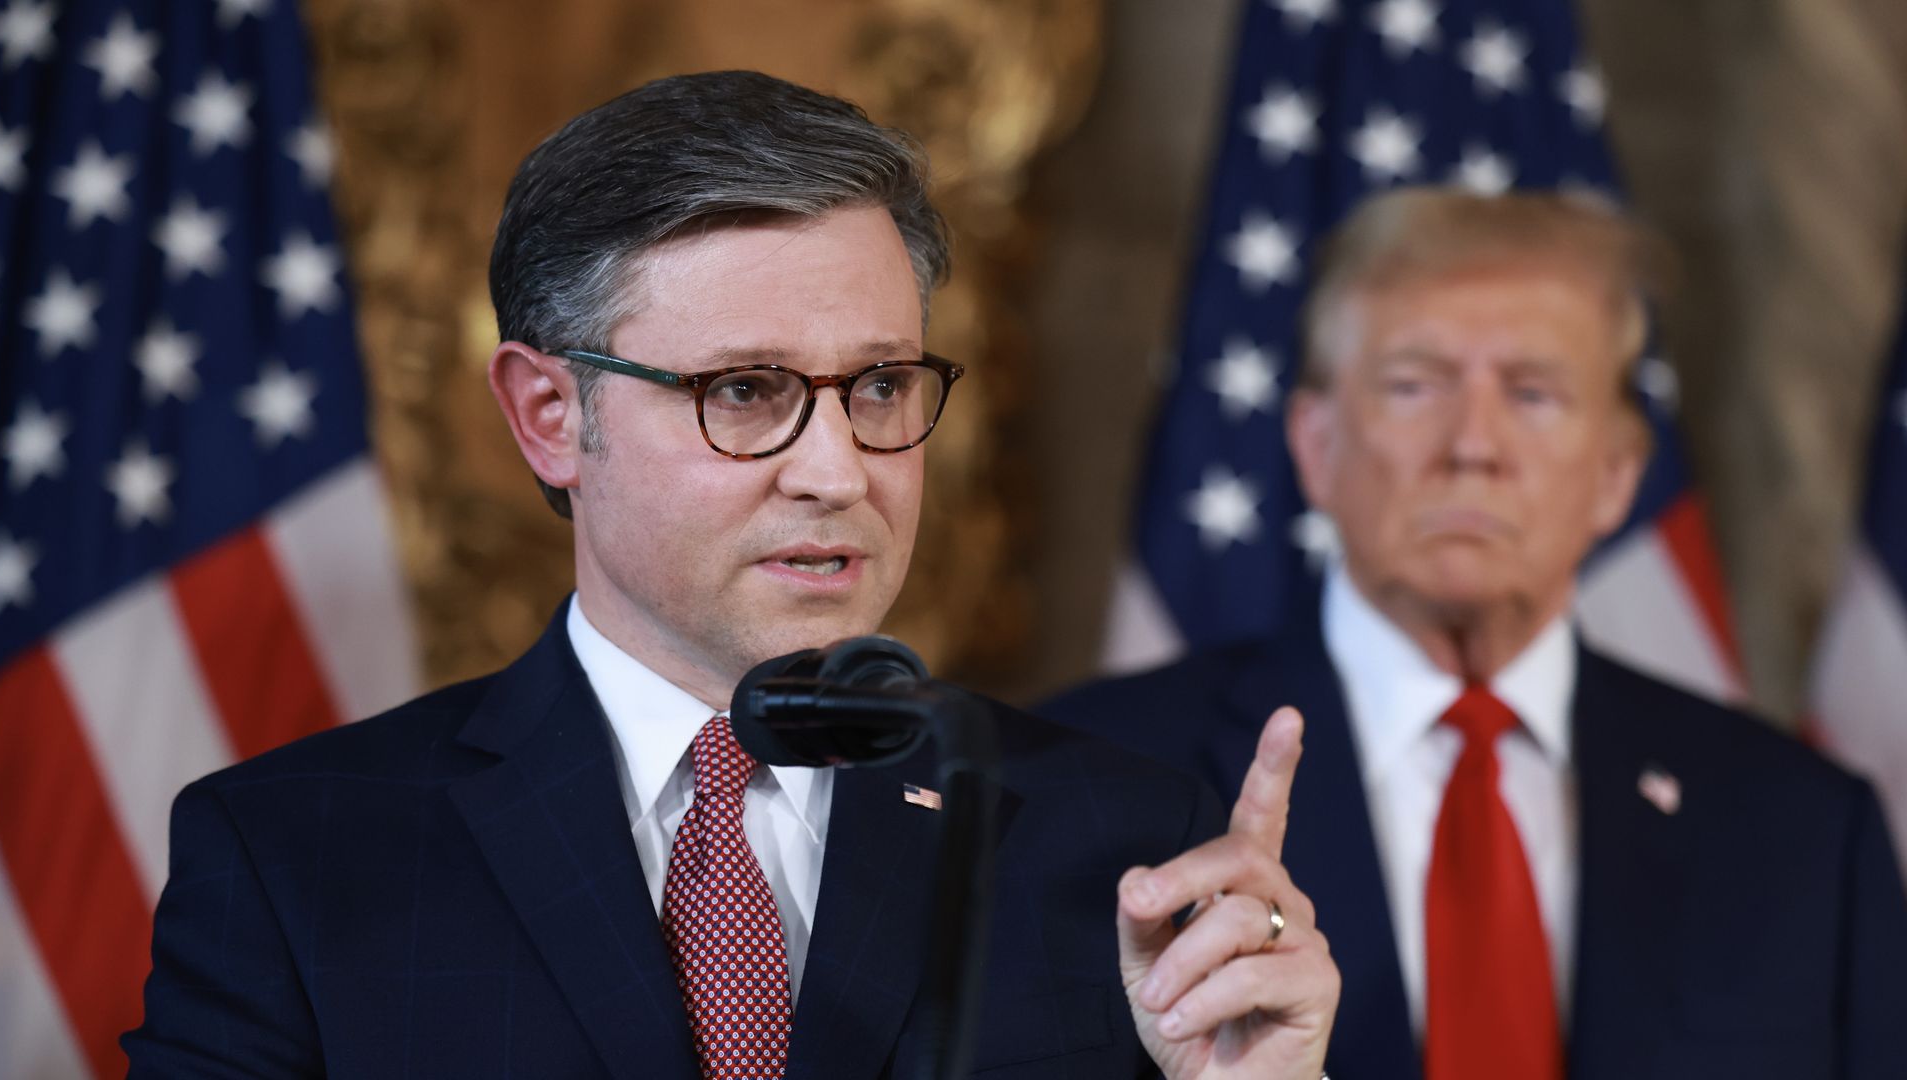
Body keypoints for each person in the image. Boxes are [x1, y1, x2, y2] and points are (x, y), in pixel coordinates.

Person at [122, 71, 1338, 1079]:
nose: (838, 471)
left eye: (877, 388)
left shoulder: (1125, 850)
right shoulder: (295, 859)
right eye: (744, 392)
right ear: (550, 414)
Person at [1045, 189, 1907, 1080]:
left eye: (1533, 393)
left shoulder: (1803, 832)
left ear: (1617, 474)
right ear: (1316, 445)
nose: (1473, 444)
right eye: (1415, 385)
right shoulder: (1092, 783)